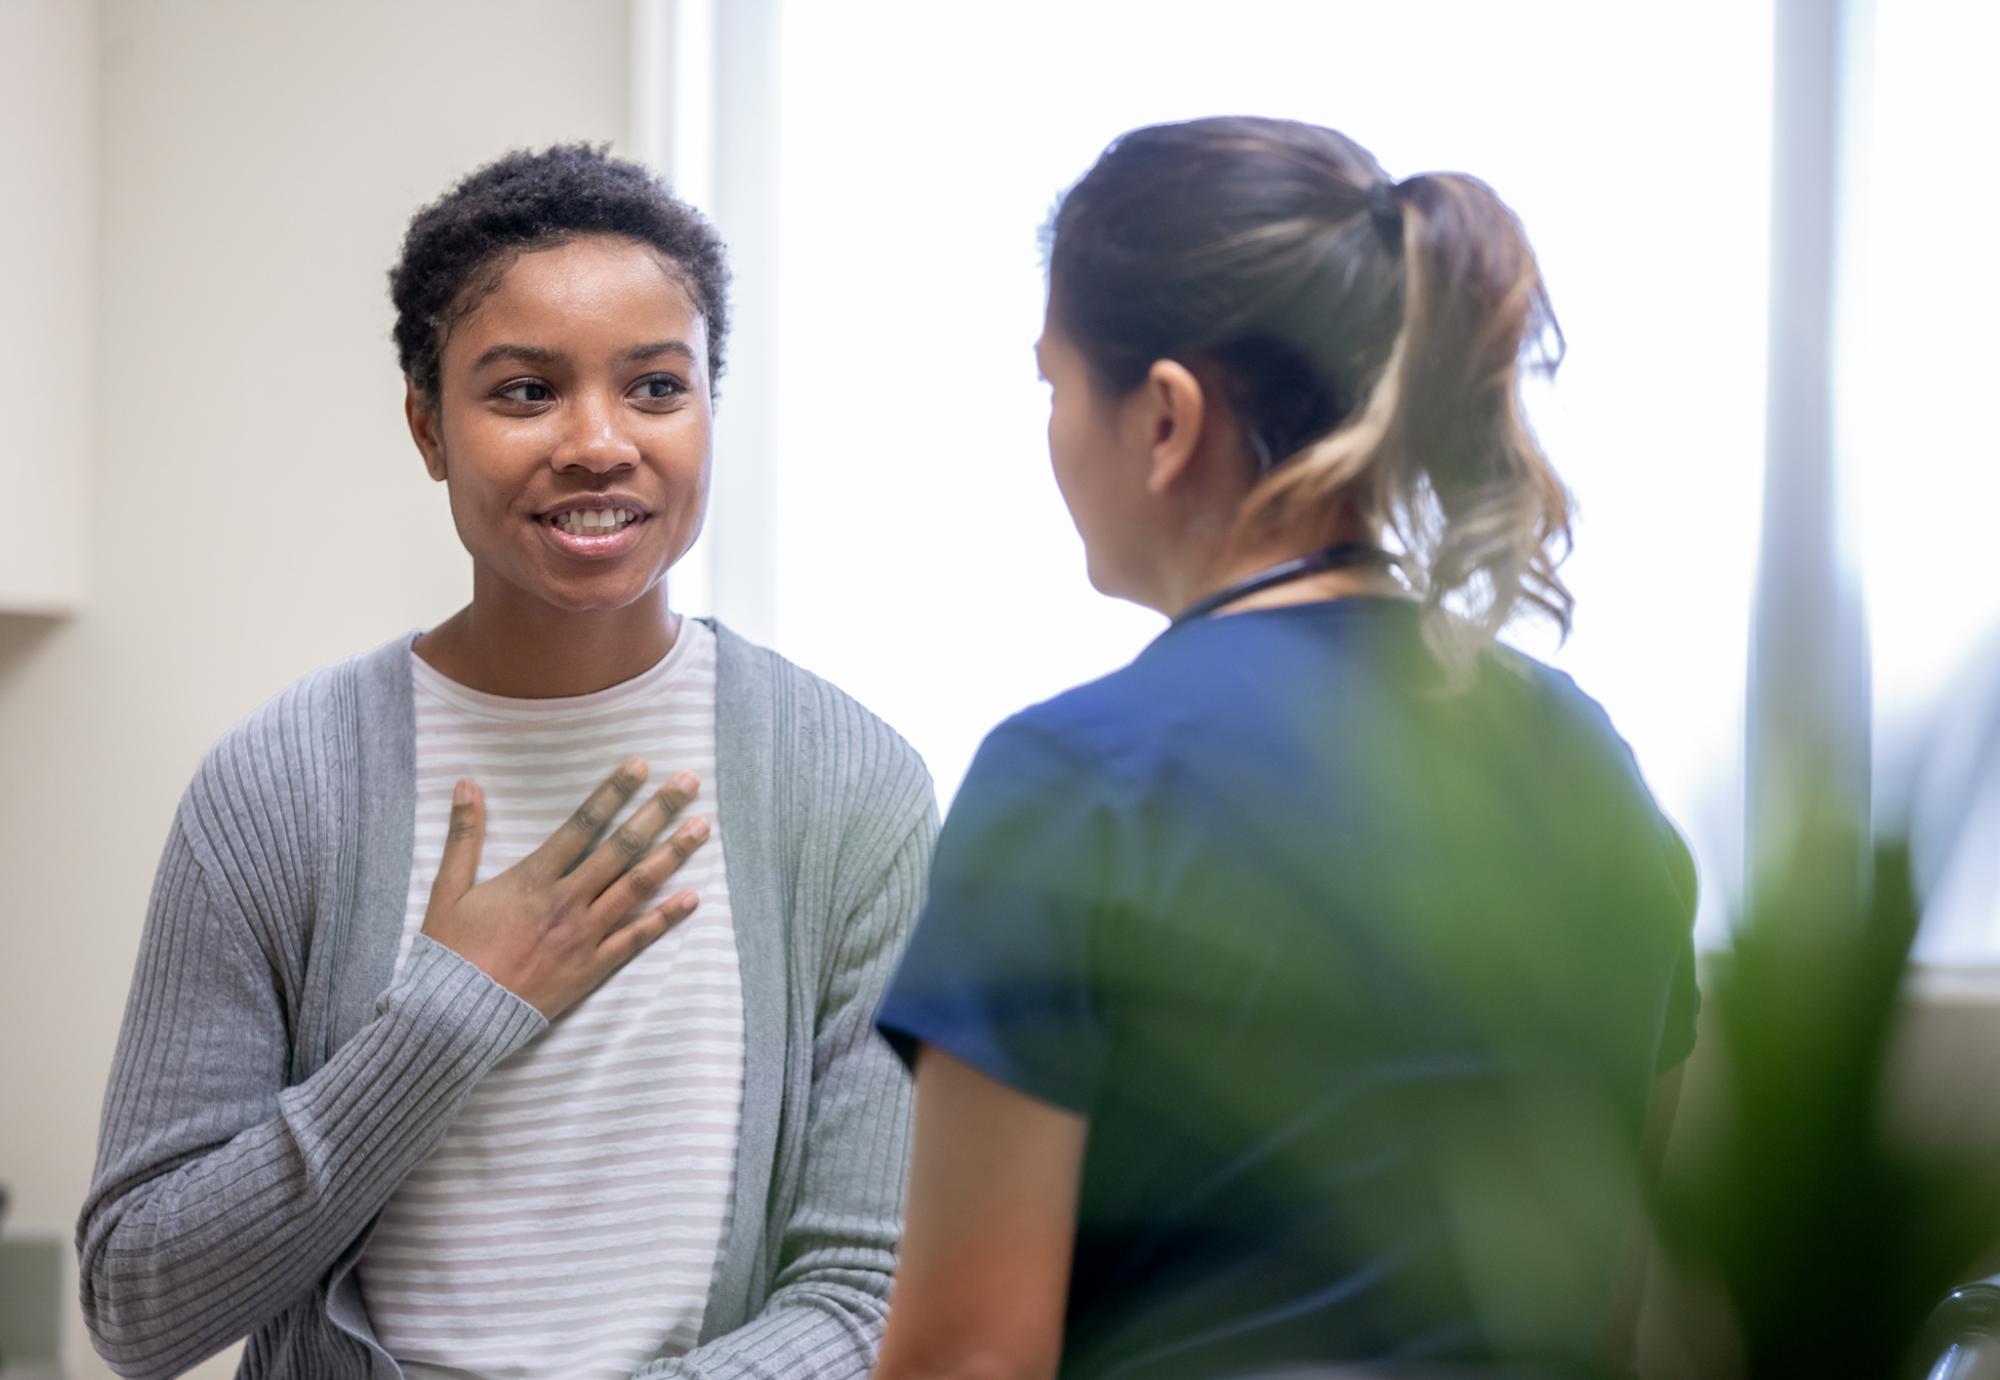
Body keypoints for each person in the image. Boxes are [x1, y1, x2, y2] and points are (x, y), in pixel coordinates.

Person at [78, 145, 935, 1380]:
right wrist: (444, 1016)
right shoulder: (278, 789)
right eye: (525, 392)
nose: (597, 442)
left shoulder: (846, 786)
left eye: (654, 386)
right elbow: (137, 1306)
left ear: (707, 410)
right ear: (429, 428)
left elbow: (871, 1296)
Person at [872, 116, 1698, 1380]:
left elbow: (965, 1363)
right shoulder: (1588, 765)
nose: (1047, 434)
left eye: (1051, 387)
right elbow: (1604, 1312)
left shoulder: (1075, 782)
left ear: (1162, 416)